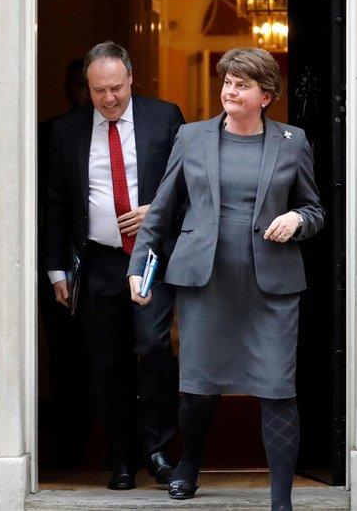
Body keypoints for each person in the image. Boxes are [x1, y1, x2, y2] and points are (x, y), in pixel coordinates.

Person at [127, 47, 324, 510]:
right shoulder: (192, 138)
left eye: (242, 85)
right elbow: (163, 209)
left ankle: (281, 500)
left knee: (278, 387)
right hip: (205, 282)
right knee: (199, 385)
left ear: (266, 96)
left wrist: (297, 219)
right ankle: (189, 466)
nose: (230, 91)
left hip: (271, 286)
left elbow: (315, 209)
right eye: (227, 83)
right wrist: (139, 267)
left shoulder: (292, 141)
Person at [43, 42, 185, 490]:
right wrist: (56, 269)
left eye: (116, 89)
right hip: (97, 260)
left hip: (149, 258)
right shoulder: (65, 131)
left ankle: (158, 450)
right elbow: (56, 203)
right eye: (99, 90)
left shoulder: (164, 118)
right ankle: (121, 459)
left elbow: (190, 185)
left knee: (153, 348)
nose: (108, 99)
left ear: (132, 80)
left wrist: (157, 209)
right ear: (87, 87)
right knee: (105, 364)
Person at [37, 58, 92, 469]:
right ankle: (71, 444)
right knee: (65, 354)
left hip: (112, 264)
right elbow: (48, 204)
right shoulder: (48, 133)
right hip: (61, 264)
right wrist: (55, 267)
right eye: (83, 85)